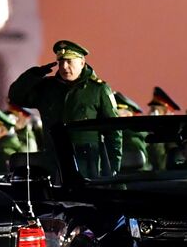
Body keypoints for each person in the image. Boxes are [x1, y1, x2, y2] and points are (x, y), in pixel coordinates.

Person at [8, 40, 120, 177]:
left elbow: (113, 131)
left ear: (82, 63)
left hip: (87, 164)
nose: (64, 67)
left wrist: (114, 169)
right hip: (54, 162)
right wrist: (34, 75)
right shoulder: (48, 88)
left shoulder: (98, 90)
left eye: (69, 61)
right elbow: (15, 97)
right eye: (60, 62)